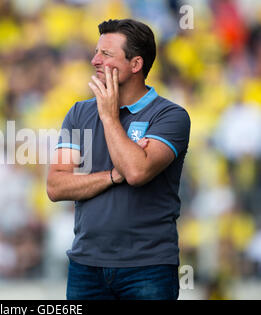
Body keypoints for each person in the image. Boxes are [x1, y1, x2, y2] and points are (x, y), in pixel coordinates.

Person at [46, 18, 191, 300]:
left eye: (106, 55)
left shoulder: (170, 116)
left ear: (136, 65)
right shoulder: (79, 113)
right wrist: (113, 175)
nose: (94, 60)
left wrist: (110, 117)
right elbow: (56, 186)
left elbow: (136, 172)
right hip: (85, 266)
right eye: (96, 52)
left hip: (148, 268)